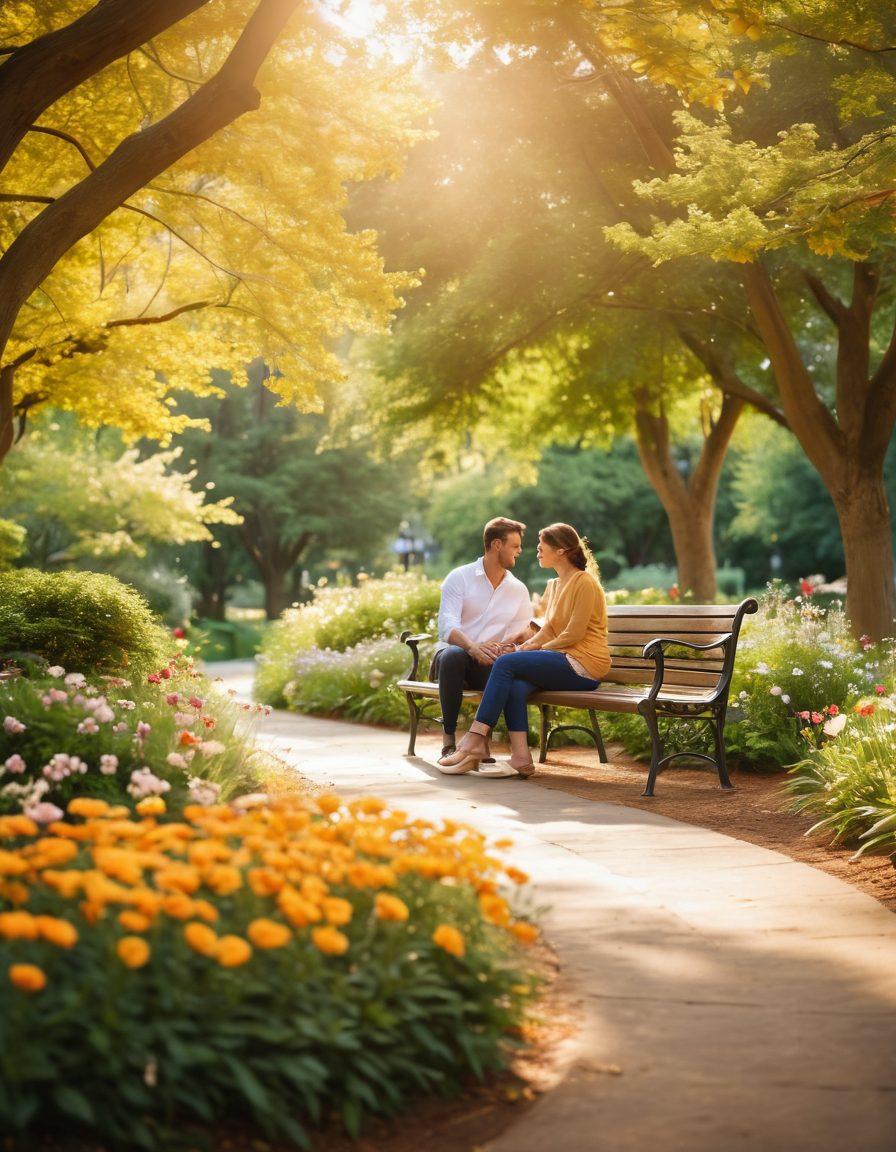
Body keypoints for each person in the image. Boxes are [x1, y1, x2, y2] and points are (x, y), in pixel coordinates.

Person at [438, 522, 610, 778]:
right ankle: (521, 758)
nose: (535, 551)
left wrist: (522, 654)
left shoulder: (583, 582)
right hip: (562, 659)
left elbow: (573, 634)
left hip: (585, 664)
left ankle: (475, 738)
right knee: (515, 684)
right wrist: (522, 647)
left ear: (561, 551)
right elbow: (549, 631)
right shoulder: (555, 584)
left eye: (542, 548)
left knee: (506, 664)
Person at [433, 517, 533, 764]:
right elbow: (447, 625)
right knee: (455, 655)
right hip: (452, 657)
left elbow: (522, 633)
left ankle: (480, 742)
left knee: (503, 669)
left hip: (490, 661)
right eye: (515, 545)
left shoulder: (518, 589)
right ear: (497, 544)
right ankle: (448, 741)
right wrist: (472, 647)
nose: (520, 551)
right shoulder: (460, 577)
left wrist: (503, 648)